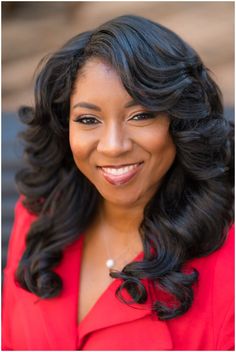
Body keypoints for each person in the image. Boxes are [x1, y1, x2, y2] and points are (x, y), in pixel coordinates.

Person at [2, 14, 234, 351]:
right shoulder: (39, 215)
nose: (113, 145)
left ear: (180, 122)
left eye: (140, 115)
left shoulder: (228, 271)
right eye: (88, 119)